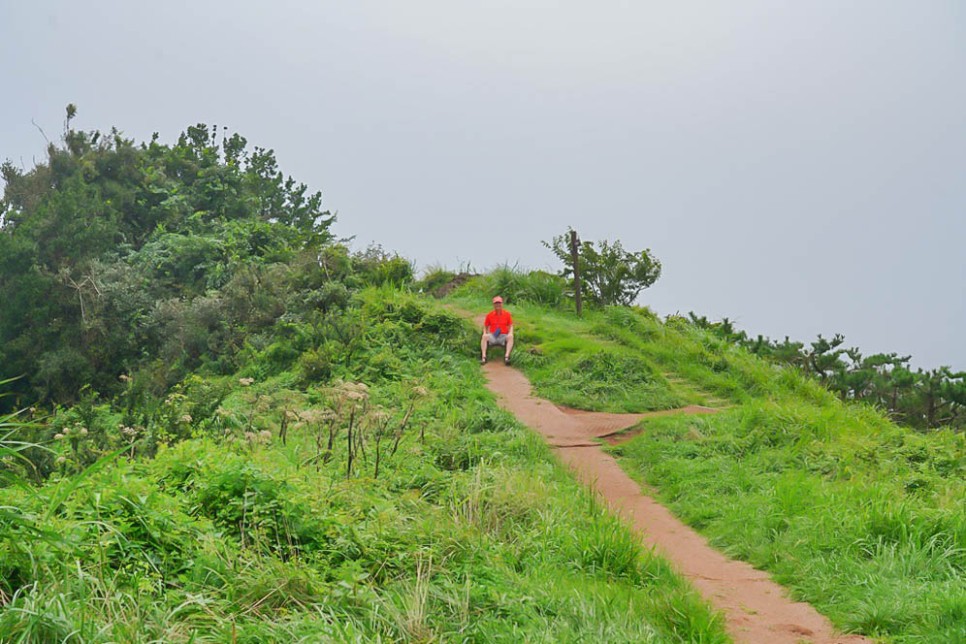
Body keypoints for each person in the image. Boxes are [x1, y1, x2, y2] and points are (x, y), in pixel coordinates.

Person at [481, 296, 514, 365]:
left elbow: (511, 325)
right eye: (496, 303)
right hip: (493, 335)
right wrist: (485, 333)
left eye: (499, 303)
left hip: (503, 335)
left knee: (510, 337)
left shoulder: (507, 314)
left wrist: (510, 333)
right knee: (484, 337)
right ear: (493, 305)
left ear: (502, 304)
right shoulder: (489, 315)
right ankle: (483, 357)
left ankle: (507, 357)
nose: (498, 305)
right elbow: (485, 326)